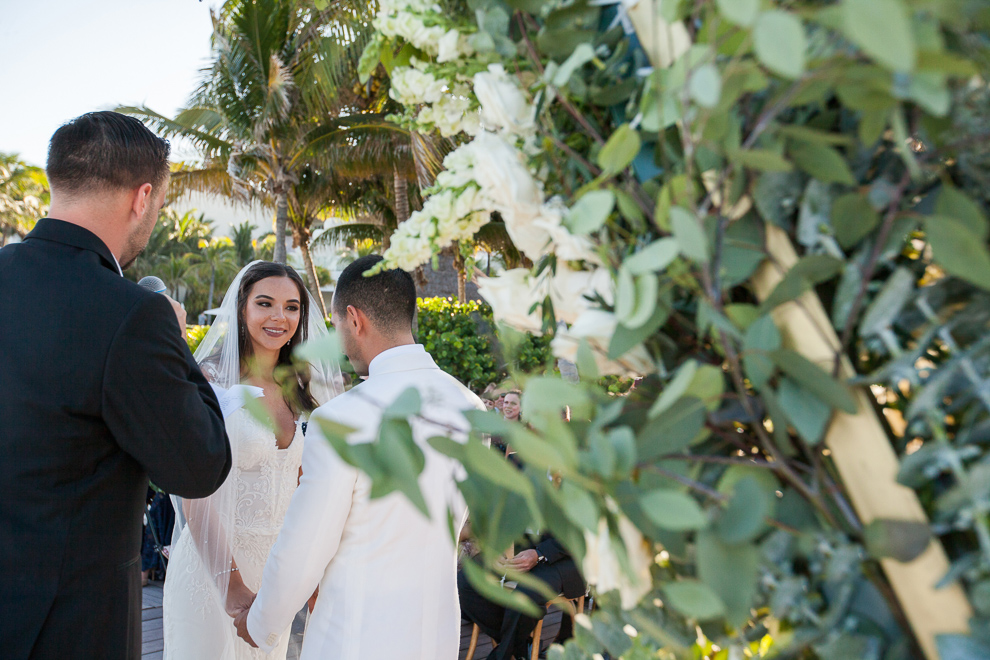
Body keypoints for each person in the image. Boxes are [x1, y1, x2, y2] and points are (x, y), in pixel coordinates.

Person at [0, 111, 231, 659]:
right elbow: (199, 466)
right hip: (71, 627)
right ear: (142, 197)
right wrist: (177, 345)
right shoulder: (133, 315)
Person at [233, 255, 486, 659]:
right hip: (434, 639)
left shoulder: (341, 420)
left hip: (352, 640)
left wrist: (260, 623)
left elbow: (305, 548)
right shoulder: (471, 407)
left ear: (354, 319)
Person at [163, 261, 342, 660]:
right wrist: (233, 589)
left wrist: (308, 571)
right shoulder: (209, 382)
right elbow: (194, 492)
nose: (280, 317)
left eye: (292, 307)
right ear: (242, 309)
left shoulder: (298, 385)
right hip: (214, 573)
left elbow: (301, 484)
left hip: (273, 577)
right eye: (265, 303)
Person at [458, 534, 585, 660]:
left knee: (524, 597)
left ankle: (503, 655)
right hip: (520, 544)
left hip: (566, 556)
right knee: (467, 580)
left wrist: (539, 553)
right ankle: (521, 647)